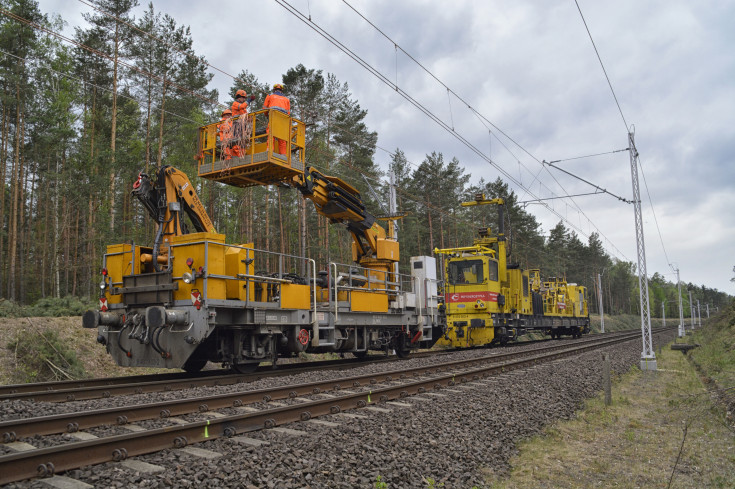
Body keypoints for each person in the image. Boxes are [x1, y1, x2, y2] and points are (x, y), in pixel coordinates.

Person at [263, 83, 291, 154]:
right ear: (282, 90)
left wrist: (266, 115)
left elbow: (265, 108)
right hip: (283, 120)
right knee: (282, 137)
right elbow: (288, 113)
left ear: (274, 90)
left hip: (273, 118)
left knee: (271, 134)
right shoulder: (286, 99)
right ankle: (283, 154)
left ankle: (269, 150)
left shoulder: (270, 96)